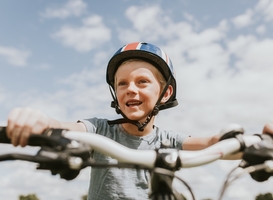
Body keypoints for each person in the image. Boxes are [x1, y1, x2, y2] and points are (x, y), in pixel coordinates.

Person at [5, 42, 273, 200]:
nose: (130, 89)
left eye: (142, 81)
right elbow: (69, 129)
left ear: (165, 93)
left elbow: (213, 144)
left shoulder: (168, 139)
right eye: (122, 84)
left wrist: (254, 143)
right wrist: (39, 122)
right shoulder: (100, 129)